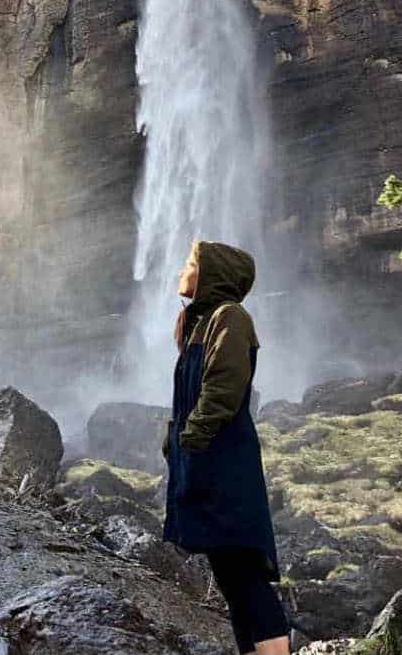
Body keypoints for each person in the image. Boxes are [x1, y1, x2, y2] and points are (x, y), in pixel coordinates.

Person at [162, 240, 290, 655]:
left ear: (212, 273)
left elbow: (224, 387)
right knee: (230, 577)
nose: (182, 268)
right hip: (201, 460)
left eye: (190, 262)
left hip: (223, 462)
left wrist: (191, 436)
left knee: (245, 571)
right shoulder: (200, 323)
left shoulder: (229, 317)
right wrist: (176, 441)